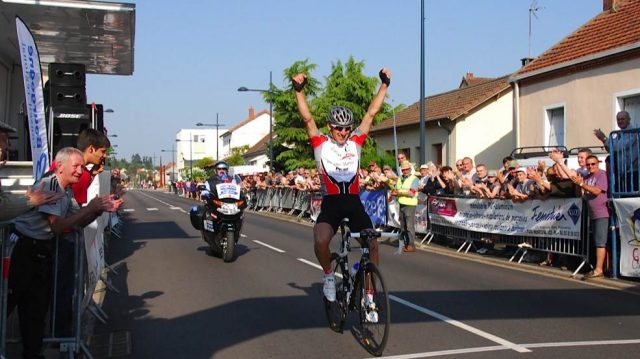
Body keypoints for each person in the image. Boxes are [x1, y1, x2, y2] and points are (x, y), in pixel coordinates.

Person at [8, 147, 120, 359]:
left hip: (40, 252)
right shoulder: (51, 184)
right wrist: (91, 209)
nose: (80, 171)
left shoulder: (66, 191)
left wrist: (98, 209)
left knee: (35, 310)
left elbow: (75, 222)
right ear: (60, 167)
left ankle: (32, 353)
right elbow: (58, 226)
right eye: (76, 166)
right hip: (24, 250)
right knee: (11, 303)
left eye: (81, 166)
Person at [292, 67, 390, 303]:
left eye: (347, 128)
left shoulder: (355, 142)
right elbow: (307, 118)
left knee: (373, 246)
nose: (343, 132)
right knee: (321, 241)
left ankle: (368, 291)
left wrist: (384, 85)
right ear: (330, 127)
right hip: (332, 205)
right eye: (338, 128)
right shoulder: (320, 143)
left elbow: (371, 114)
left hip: (354, 204)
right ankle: (328, 276)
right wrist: (298, 90)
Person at [572, 155, 610, 279]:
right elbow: (581, 195)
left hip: (601, 212)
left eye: (593, 164)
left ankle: (599, 270)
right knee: (597, 241)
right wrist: (578, 184)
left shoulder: (601, 175)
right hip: (592, 213)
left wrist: (582, 183)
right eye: (588, 164)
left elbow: (597, 191)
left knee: (600, 242)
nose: (590, 166)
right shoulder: (588, 177)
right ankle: (600, 267)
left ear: (598, 163)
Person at [595, 110, 638, 192]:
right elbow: (611, 149)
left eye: (622, 119)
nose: (620, 121)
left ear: (629, 119)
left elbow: (617, 147)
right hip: (622, 172)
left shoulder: (632, 132)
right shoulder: (620, 133)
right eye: (618, 119)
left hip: (632, 172)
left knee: (630, 199)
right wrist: (604, 141)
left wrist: (604, 138)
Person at [390, 161, 419, 252]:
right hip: (401, 203)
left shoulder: (414, 179)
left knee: (409, 226)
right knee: (403, 226)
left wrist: (398, 193)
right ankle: (405, 242)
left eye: (407, 169)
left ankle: (411, 244)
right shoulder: (400, 178)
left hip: (410, 204)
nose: (405, 171)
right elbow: (397, 189)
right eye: (403, 169)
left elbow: (412, 193)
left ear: (410, 169)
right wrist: (394, 192)